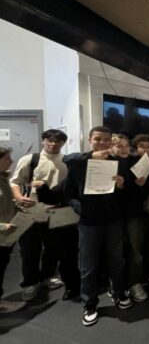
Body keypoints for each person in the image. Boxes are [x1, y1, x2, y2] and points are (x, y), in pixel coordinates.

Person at [65, 126, 133, 326]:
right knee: (88, 265)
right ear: (90, 140)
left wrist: (121, 186)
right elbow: (68, 194)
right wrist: (81, 209)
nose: (102, 143)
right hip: (88, 222)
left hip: (114, 220)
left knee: (117, 260)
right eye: (98, 139)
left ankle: (119, 294)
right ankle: (89, 304)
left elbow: (126, 193)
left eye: (106, 140)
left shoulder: (118, 162)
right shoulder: (78, 163)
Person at [10, 129, 79, 301]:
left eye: (58, 141)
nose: (53, 144)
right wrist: (19, 196)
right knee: (29, 250)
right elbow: (15, 181)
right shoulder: (30, 160)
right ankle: (30, 284)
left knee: (53, 249)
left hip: (58, 211)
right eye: (49, 140)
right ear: (43, 140)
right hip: (31, 211)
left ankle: (46, 277)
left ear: (63, 143)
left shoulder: (67, 161)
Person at [123, 134, 149, 302]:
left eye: (148, 146)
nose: (145, 149)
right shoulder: (128, 163)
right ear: (135, 147)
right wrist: (135, 184)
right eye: (142, 146)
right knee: (136, 251)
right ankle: (134, 283)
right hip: (134, 214)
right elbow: (122, 188)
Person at [0, 146, 26, 313]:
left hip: (6, 237)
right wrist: (2, 226)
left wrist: (20, 207)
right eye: (7, 158)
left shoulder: (3, 179)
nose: (11, 161)